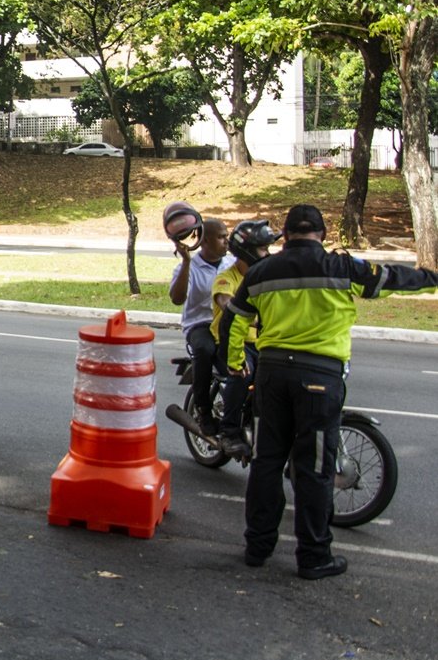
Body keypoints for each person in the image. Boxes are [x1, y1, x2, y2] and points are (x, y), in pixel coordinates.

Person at [225, 204, 438, 580]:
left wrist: (234, 362)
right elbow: (391, 278)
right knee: (315, 469)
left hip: (272, 376)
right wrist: (430, 277)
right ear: (322, 235)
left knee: (266, 462)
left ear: (286, 236)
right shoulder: (343, 268)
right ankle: (313, 557)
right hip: (319, 379)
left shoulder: (260, 272)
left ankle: (257, 547)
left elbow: (234, 318)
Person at [210, 219, 279, 458]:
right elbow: (227, 304)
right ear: (247, 252)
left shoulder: (266, 280)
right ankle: (229, 430)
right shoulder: (226, 279)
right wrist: (255, 318)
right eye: (263, 249)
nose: (268, 254)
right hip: (231, 342)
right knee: (241, 375)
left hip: (263, 342)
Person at [169, 217, 234, 436]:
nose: (226, 241)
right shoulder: (190, 267)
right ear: (205, 241)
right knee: (205, 350)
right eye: (221, 237)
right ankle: (204, 411)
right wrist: (186, 262)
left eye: (227, 236)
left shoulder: (231, 264)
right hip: (201, 325)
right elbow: (177, 299)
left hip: (227, 324)